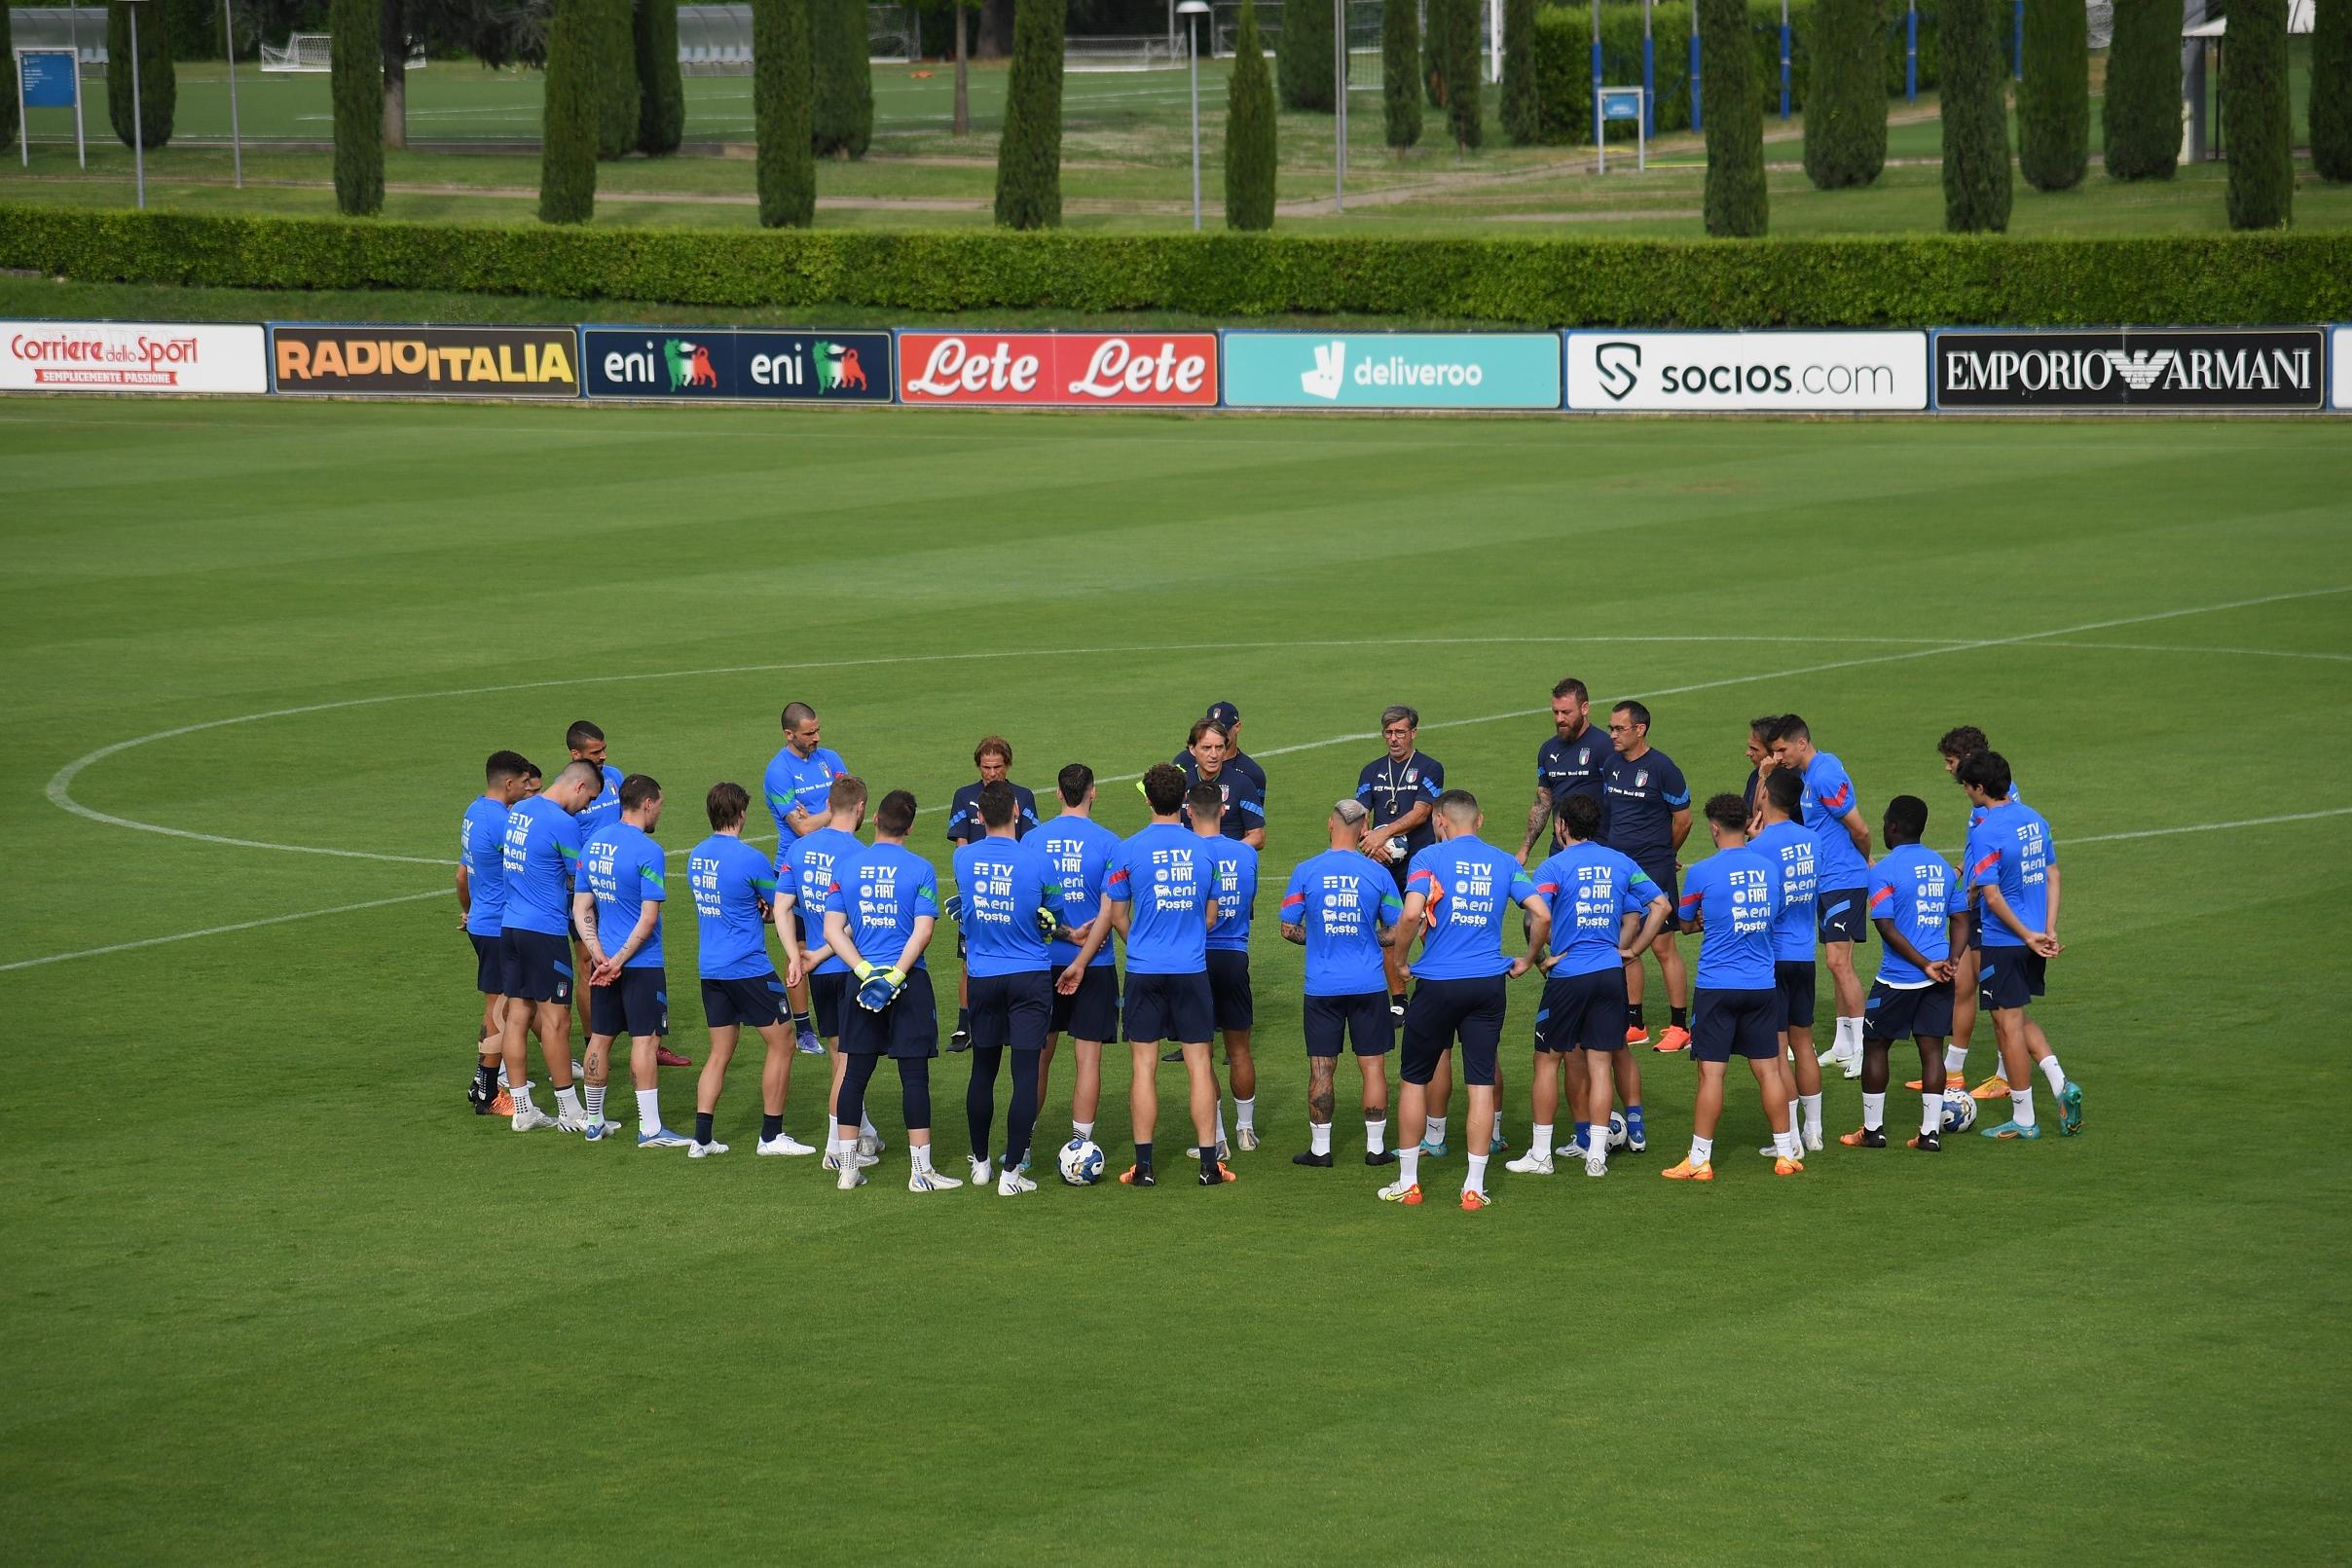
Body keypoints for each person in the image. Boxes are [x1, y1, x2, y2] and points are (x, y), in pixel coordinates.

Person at [1060, 762, 1230, 1189]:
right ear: (1186, 802)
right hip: (1190, 969)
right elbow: (1210, 917)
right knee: (1199, 1064)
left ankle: (1145, 1167)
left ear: (1148, 800)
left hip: (1144, 969)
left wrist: (1141, 941)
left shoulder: (1128, 849)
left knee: (1143, 1067)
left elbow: (1115, 914)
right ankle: (1210, 1166)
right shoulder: (1206, 852)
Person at [1380, 790, 1546, 1211]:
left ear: (1440, 822)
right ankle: (1473, 1187)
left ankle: (1409, 1183)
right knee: (1480, 1083)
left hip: (1437, 984)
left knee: (1414, 1079)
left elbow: (1411, 912)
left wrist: (1401, 963)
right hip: (1488, 984)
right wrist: (1528, 959)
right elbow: (1541, 914)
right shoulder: (1505, 862)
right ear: (1480, 820)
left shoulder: (1428, 860)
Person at [1513, 793, 1669, 1179]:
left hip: (1568, 976)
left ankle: (1540, 1154)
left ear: (1562, 825)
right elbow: (1661, 906)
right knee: (1601, 1063)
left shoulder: (1552, 867)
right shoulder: (1621, 862)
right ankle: (1596, 1155)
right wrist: (1632, 950)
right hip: (1609, 973)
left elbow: (1538, 916)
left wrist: (1537, 958)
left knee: (1547, 1062)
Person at [1665, 794, 1803, 1182]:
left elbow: (1687, 922)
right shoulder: (1769, 869)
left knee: (1711, 1075)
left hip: (1717, 986)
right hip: (1762, 984)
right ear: (1746, 823)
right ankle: (1785, 1153)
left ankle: (1699, 1160)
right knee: (1770, 1071)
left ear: (1713, 828)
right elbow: (1773, 914)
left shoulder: (1702, 872)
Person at [827, 789, 959, 1190]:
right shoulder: (920, 869)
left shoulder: (847, 868)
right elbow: (923, 931)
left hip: (860, 984)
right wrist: (895, 977)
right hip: (908, 984)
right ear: (911, 827)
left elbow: (833, 931)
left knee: (853, 1075)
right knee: (914, 1077)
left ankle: (848, 1168)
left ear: (875, 821)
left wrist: (867, 972)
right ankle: (920, 1172)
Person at [684, 783, 813, 1159]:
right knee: (783, 1042)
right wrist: (768, 912)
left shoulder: (696, 856)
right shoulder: (751, 858)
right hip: (748, 967)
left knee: (719, 1052)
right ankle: (771, 1136)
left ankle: (702, 1138)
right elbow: (780, 908)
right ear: (741, 814)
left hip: (710, 968)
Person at [1958, 751, 2081, 1141]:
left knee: (2006, 1024)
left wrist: (2027, 935)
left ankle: (2025, 1118)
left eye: (1966, 786)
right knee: (2012, 1016)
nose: (1965, 792)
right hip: (2033, 937)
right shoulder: (2034, 818)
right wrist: (2047, 929)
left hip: (2004, 940)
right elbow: (2053, 874)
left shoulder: (1985, 831)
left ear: (1979, 788)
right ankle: (2059, 1082)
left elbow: (1991, 896)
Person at [948, 780, 1061, 1195]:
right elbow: (1054, 913)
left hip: (982, 976)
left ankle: (980, 1163)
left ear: (979, 817)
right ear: (1016, 813)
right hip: (1029, 974)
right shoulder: (1038, 862)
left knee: (983, 1069)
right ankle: (1012, 1173)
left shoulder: (965, 860)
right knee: (1025, 1072)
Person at [1279, 799, 1403, 1168]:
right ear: (1364, 828)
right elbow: (1397, 930)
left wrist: (1318, 937)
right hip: (1368, 984)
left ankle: (1320, 1150)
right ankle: (1376, 1149)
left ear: (1330, 824)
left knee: (1321, 1067)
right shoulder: (1378, 875)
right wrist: (1368, 937)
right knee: (1373, 1066)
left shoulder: (1306, 871)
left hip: (1323, 985)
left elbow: (1287, 928)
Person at [574, 774, 690, 1148]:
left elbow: (581, 908)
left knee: (601, 1038)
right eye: (659, 805)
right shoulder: (646, 850)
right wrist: (621, 959)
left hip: (603, 962)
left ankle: (594, 1122)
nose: (659, 812)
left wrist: (598, 956)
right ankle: (650, 1129)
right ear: (646, 804)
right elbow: (648, 917)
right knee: (645, 1040)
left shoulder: (592, 843)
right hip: (639, 963)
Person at [778, 776, 885, 1170]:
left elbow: (782, 906)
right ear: (860, 810)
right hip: (847, 965)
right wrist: (821, 953)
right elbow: (858, 919)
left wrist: (796, 956)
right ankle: (836, 1149)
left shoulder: (800, 848)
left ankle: (863, 1130)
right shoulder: (860, 855)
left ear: (829, 802)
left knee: (841, 1055)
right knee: (849, 1062)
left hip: (818, 973)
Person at [1842, 794, 1960, 1151]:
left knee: (1876, 1045)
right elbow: (1962, 919)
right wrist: (1950, 960)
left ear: (1892, 827)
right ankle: (1929, 1134)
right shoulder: (1941, 866)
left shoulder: (1884, 871)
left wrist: (1923, 963)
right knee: (1932, 1051)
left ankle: (1873, 1131)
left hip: (1899, 977)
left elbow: (1886, 927)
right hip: (1942, 972)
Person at [495, 759, 602, 1133]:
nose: (585, 808)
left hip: (510, 927)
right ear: (578, 787)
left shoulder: (520, 809)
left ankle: (523, 1109)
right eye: (588, 799)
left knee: (518, 1016)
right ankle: (569, 1109)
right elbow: (581, 879)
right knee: (556, 1021)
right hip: (544, 931)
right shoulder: (563, 824)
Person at [1769, 714, 1873, 1080]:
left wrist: (1866, 862)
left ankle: (1864, 1047)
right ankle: (1844, 1043)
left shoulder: (1825, 773)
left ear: (1801, 743)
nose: (1779, 756)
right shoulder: (1806, 777)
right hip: (1825, 882)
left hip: (1843, 878)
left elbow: (1859, 827)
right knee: (1836, 963)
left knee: (1838, 962)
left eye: (1782, 749)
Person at [1929, 725, 2023, 1102]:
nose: (1947, 769)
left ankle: (2008, 1077)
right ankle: (1952, 1072)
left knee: (1998, 997)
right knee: (1965, 983)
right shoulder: (1985, 801)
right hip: (1978, 901)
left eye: (1950, 762)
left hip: (1992, 907)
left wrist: (1975, 886)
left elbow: (1998, 853)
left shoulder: (1996, 804)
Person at [1036, 764, 1121, 1152]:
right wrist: (1082, 960)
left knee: (1037, 1057)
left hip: (1041, 962)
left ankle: (1023, 1144)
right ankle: (1080, 1146)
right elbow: (1109, 912)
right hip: (1095, 964)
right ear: (1093, 792)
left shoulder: (1033, 840)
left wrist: (1061, 934)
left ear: (1057, 794)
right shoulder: (1109, 843)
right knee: (1088, 1060)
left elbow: (1029, 910)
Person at [1600, 701, 1692, 1052]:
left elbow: (1683, 819)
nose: (1612, 734)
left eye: (1619, 728)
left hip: (1653, 870)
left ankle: (1679, 1026)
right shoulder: (1611, 766)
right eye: (1610, 728)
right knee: (1626, 941)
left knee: (1662, 945)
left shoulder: (1662, 768)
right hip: (1620, 869)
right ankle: (1634, 1022)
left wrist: (1666, 854)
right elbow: (1610, 817)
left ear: (1640, 730)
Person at [1747, 770, 1827, 1154]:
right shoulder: (1814, 840)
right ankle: (1815, 1131)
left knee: (1777, 1050)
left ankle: (1791, 1139)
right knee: (1805, 1043)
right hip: (1804, 954)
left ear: (1766, 795)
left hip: (1772, 957)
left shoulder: (1759, 848)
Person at [945, 736, 1042, 1052]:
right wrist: (969, 889)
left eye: (997, 767)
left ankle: (1006, 1023)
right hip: (979, 893)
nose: (991, 773)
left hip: (1011, 889)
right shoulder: (965, 797)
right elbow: (960, 843)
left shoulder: (1024, 797)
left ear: (1007, 765)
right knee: (968, 960)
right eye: (986, 768)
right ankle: (964, 1025)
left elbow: (1030, 843)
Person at [762, 701, 848, 1054]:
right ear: (789, 734)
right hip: (796, 869)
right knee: (799, 947)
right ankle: (803, 1027)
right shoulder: (779, 771)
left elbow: (852, 806)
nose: (816, 737)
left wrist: (819, 815)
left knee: (842, 935)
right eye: (809, 733)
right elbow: (800, 827)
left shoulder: (831, 759)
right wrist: (833, 811)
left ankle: (843, 1016)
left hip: (837, 863)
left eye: (818, 730)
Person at [1356, 705, 1445, 1018]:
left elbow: (1422, 811)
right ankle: (1398, 1000)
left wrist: (1384, 834)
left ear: (1413, 733)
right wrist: (1369, 841)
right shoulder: (1370, 771)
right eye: (1389, 733)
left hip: (1420, 863)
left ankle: (1435, 986)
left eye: (1400, 732)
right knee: (1389, 929)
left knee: (1426, 925)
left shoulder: (1430, 768)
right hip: (1383, 863)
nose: (1394, 739)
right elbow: (1359, 814)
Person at [459, 749, 533, 1115]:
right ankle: (487, 1093)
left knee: (504, 1007)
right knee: (500, 1011)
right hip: (498, 924)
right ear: (508, 783)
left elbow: (463, 874)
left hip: (482, 919)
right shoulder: (502, 821)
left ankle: (483, 1084)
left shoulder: (474, 811)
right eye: (523, 783)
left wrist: (470, 910)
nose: (526, 789)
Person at [1194, 781, 1262, 1154]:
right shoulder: (1245, 854)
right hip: (1235, 955)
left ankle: (1216, 1136)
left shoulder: (1188, 852)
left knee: (1201, 1051)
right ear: (1223, 810)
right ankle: (1246, 1130)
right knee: (1239, 1049)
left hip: (1197, 958)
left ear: (1189, 811)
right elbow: (1248, 899)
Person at [1518, 677, 1611, 866]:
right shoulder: (1548, 750)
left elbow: (1619, 801)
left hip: (1599, 849)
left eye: (1566, 712)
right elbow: (1543, 802)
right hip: (1560, 850)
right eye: (1555, 712)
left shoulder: (1605, 746)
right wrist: (1524, 850)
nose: (1560, 719)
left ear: (1584, 708)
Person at [1187, 722, 1266, 849]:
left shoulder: (1242, 784)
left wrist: (1227, 851)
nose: (1214, 755)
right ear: (1192, 749)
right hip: (1189, 863)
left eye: (1219, 747)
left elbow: (1258, 836)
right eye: (1206, 748)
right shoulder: (1181, 783)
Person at [1174, 700, 1268, 805]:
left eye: (1222, 730)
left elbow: (1252, 817)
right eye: (1212, 729)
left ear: (1237, 727)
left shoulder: (1252, 773)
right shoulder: (1183, 762)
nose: (1217, 735)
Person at [1741, 714, 1782, 831]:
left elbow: (1759, 826)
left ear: (1774, 752)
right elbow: (1747, 817)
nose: (1748, 753)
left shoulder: (1791, 782)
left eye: (1754, 749)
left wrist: (1763, 778)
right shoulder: (1755, 775)